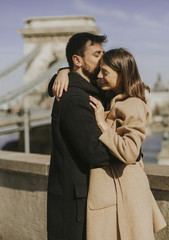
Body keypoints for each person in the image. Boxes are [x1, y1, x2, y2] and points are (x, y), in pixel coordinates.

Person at [53, 48, 166, 239]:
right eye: (100, 71)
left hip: (127, 192)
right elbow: (80, 76)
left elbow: (130, 151)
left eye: (105, 72)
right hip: (114, 188)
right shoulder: (110, 95)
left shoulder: (133, 104)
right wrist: (63, 72)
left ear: (122, 74)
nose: (99, 76)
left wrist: (101, 123)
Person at [47, 32, 120, 240]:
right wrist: (129, 151)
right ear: (77, 61)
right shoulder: (76, 99)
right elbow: (95, 153)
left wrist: (63, 71)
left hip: (81, 199)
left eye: (103, 53)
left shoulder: (90, 91)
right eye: (97, 55)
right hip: (74, 206)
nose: (103, 60)